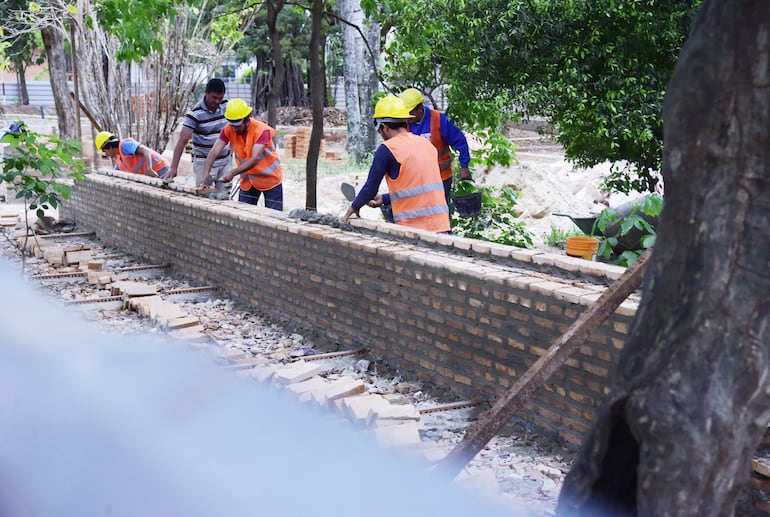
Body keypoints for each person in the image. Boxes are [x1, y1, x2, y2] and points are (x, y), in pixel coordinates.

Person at [340, 95, 450, 233]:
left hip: (415, 231)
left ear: (384, 127)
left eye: (380, 131)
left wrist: (353, 208)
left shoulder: (387, 149)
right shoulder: (426, 144)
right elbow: (419, 188)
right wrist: (384, 198)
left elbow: (370, 188)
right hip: (442, 227)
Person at [204, 98, 283, 210]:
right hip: (248, 180)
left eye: (237, 126)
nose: (234, 129)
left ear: (247, 120)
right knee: (243, 213)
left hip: (269, 179)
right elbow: (214, 152)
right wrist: (205, 176)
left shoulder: (261, 131)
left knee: (274, 217)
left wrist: (232, 173)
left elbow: (255, 158)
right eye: (232, 125)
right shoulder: (228, 129)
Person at [399, 88, 472, 203]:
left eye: (410, 113)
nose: (407, 116)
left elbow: (460, 141)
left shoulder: (438, 120)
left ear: (419, 109)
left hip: (441, 178)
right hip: (416, 180)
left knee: (440, 212)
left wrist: (464, 166)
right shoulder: (404, 124)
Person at [166, 78, 232, 193]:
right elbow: (182, 141)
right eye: (214, 98)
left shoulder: (227, 107)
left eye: (220, 98)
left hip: (225, 162)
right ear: (206, 92)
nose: (217, 101)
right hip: (203, 163)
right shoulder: (194, 114)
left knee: (224, 199)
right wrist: (173, 168)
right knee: (205, 198)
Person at [95, 131, 170, 178]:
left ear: (109, 147)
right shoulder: (119, 161)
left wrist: (149, 169)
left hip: (161, 168)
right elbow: (114, 174)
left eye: (104, 151)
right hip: (154, 173)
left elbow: (146, 151)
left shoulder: (125, 145)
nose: (106, 154)